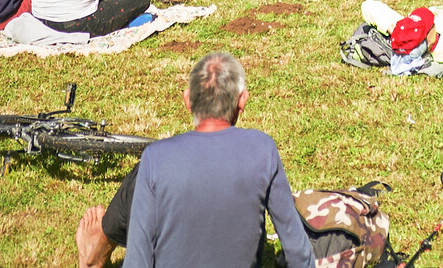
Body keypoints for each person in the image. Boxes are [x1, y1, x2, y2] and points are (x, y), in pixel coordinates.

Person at [76, 52, 314, 268]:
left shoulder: (155, 159)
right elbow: (298, 252)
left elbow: (138, 260)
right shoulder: (263, 150)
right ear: (242, 100)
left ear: (187, 100)